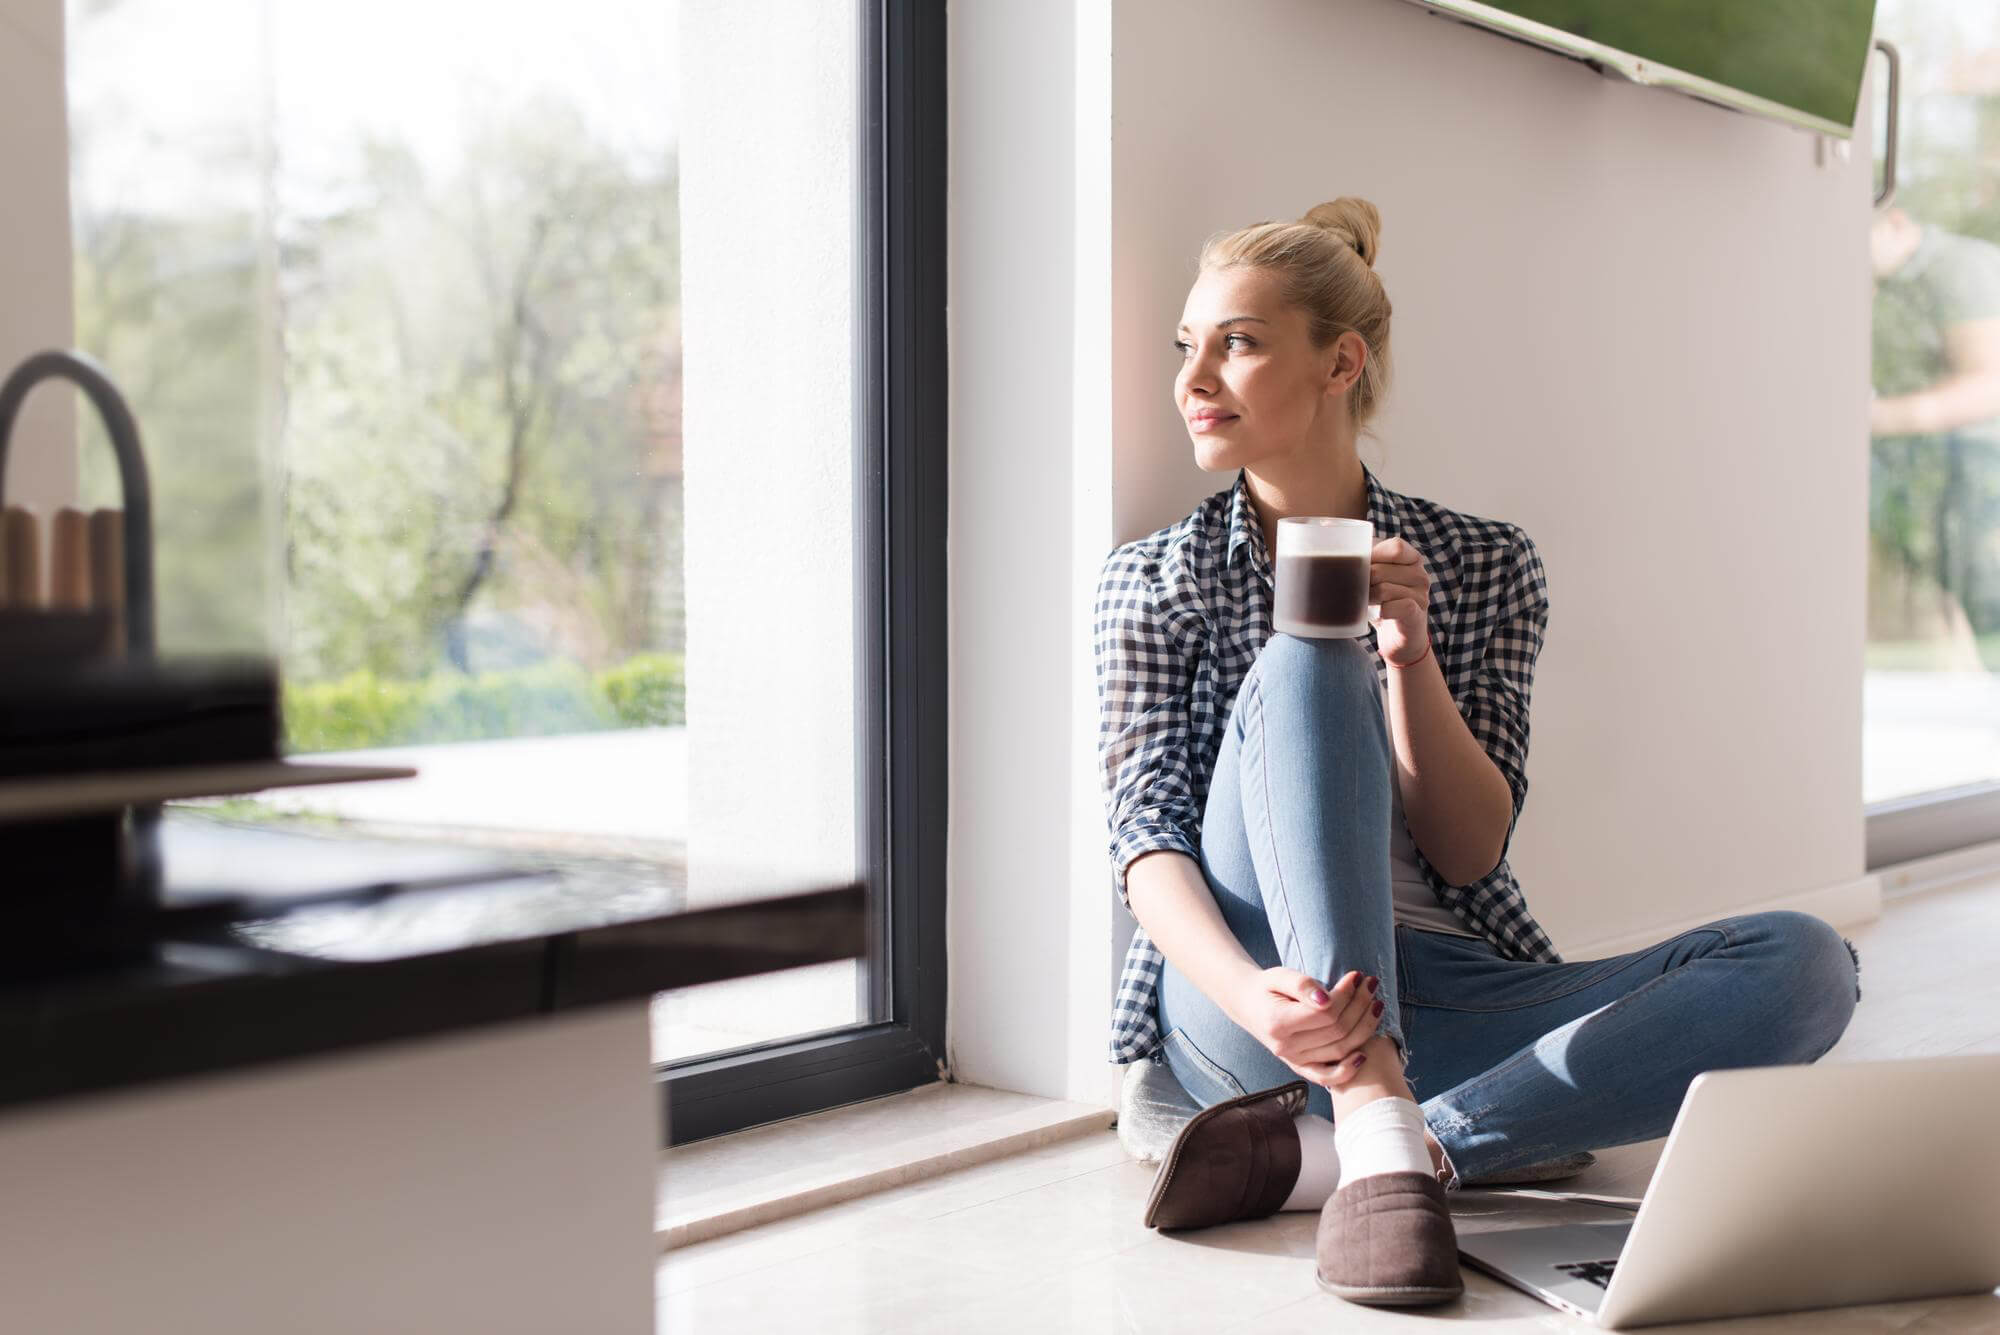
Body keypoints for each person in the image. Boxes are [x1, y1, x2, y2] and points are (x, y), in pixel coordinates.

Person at [1093, 196, 1863, 1308]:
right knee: (1306, 658)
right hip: (1255, 999)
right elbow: (1146, 841)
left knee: (1802, 963)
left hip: (1452, 989)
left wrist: (1408, 658)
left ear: (1338, 362)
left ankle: (1384, 1157)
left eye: (1238, 342)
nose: (1193, 377)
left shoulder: (1485, 562)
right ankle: (1372, 1119)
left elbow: (1465, 853)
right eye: (1188, 346)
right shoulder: (1150, 577)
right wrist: (1260, 1003)